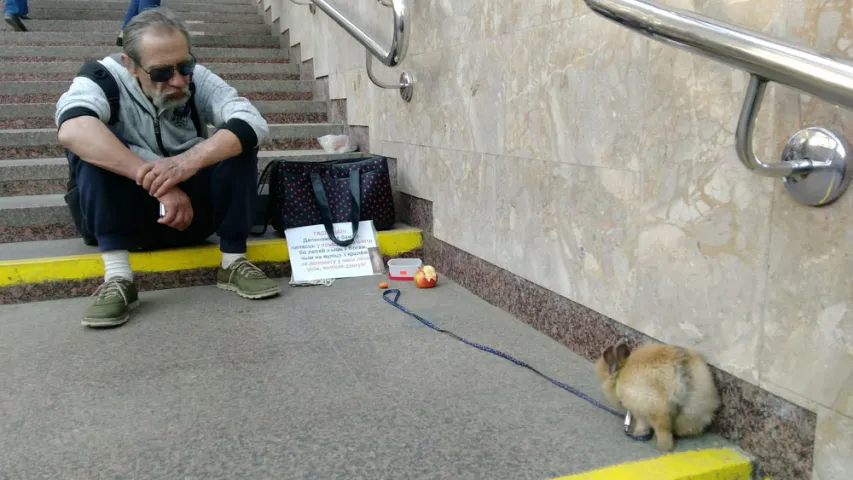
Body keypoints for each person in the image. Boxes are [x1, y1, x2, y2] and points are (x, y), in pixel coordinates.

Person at [55, 7, 280, 328]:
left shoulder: (196, 79)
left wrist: (185, 164)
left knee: (237, 140)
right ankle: (118, 277)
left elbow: (251, 120)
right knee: (89, 148)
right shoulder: (101, 79)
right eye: (161, 73)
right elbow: (73, 129)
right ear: (130, 65)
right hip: (123, 217)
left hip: (190, 218)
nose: (177, 80)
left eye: (185, 65)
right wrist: (159, 181)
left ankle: (233, 261)